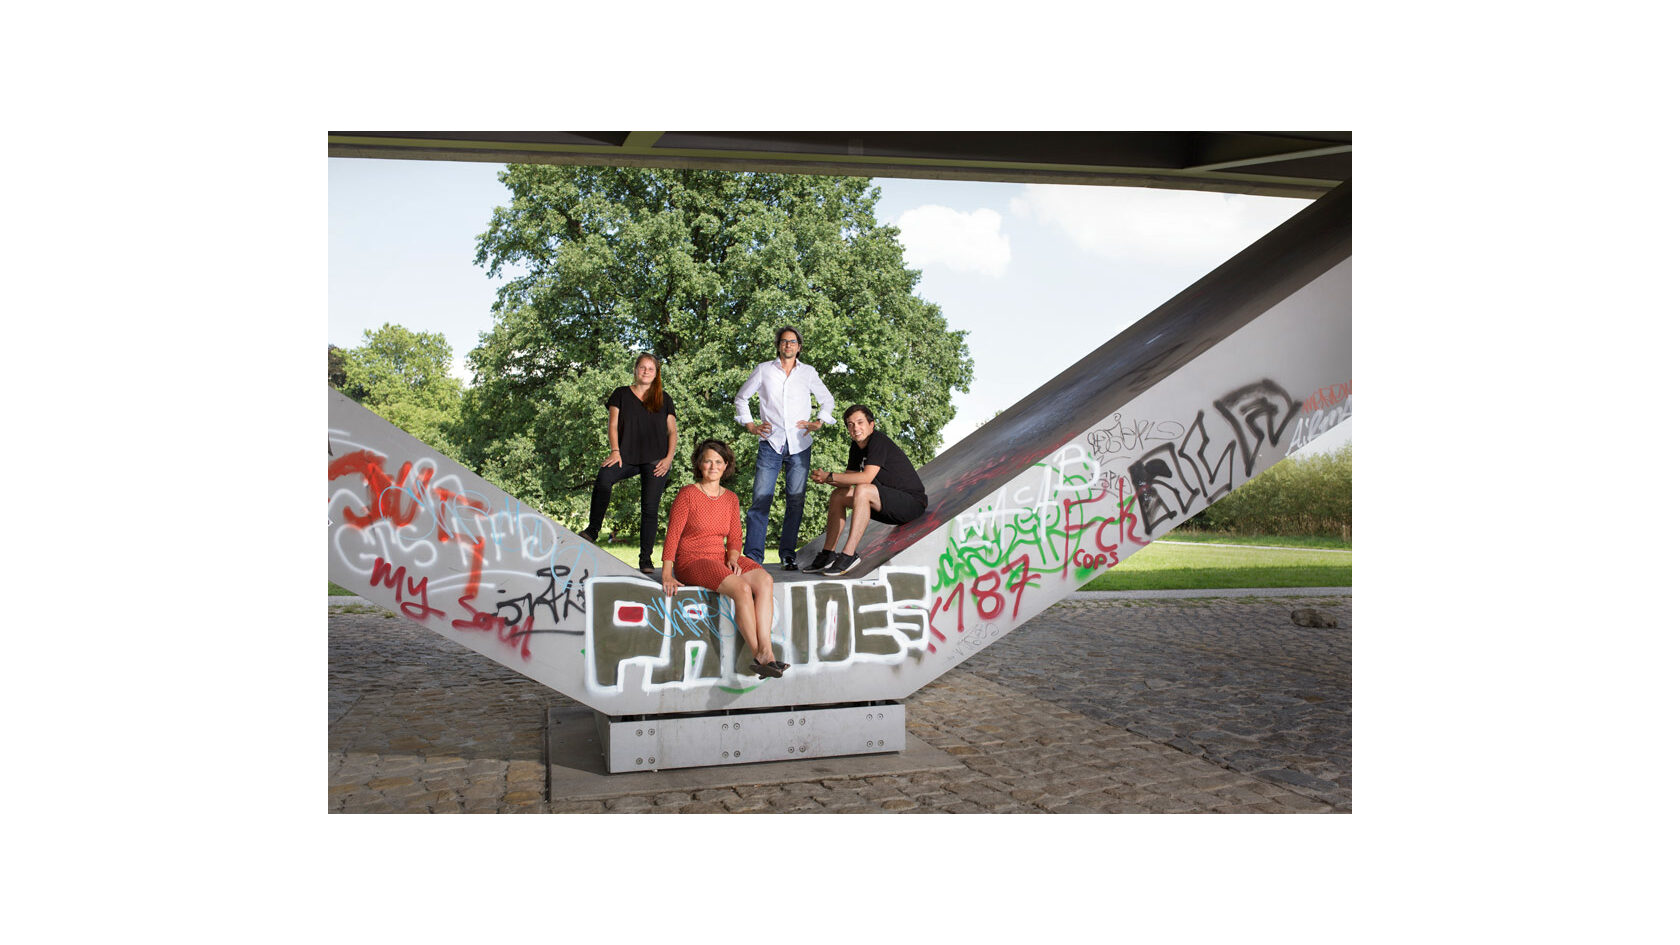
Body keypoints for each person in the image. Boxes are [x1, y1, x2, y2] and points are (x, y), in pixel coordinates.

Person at [661, 440, 786, 678]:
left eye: (718, 462)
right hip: (692, 559)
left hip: (720, 557)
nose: (713, 466)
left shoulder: (730, 498)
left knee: (764, 580)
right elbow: (673, 535)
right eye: (708, 461)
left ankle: (767, 650)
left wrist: (733, 556)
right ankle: (759, 655)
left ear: (726, 465)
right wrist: (667, 573)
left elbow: (736, 537)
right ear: (699, 464)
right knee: (740, 587)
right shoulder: (687, 494)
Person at [733, 325, 835, 571]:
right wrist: (750, 425)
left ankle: (788, 554)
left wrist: (819, 421)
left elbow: (827, 399)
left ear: (799, 347)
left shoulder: (808, 372)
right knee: (760, 499)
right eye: (784, 341)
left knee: (796, 501)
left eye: (793, 341)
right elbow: (741, 398)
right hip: (771, 442)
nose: (788, 345)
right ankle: (753, 558)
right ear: (779, 345)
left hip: (800, 444)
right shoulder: (764, 370)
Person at [578, 353, 678, 575]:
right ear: (635, 369)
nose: (646, 372)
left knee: (650, 509)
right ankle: (593, 530)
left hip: (656, 460)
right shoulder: (621, 394)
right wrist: (615, 450)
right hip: (625, 456)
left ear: (656, 373)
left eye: (650, 369)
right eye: (642, 367)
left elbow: (672, 432)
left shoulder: (664, 398)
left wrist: (668, 459)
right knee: (604, 478)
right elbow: (612, 425)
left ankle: (645, 559)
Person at [806, 405, 928, 576]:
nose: (855, 428)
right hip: (884, 503)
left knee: (863, 489)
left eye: (860, 422)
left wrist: (830, 476)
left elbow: (866, 478)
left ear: (872, 425)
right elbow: (846, 481)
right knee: (838, 495)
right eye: (850, 424)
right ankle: (828, 553)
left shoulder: (878, 441)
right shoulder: (856, 447)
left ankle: (849, 554)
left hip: (911, 504)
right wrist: (825, 478)